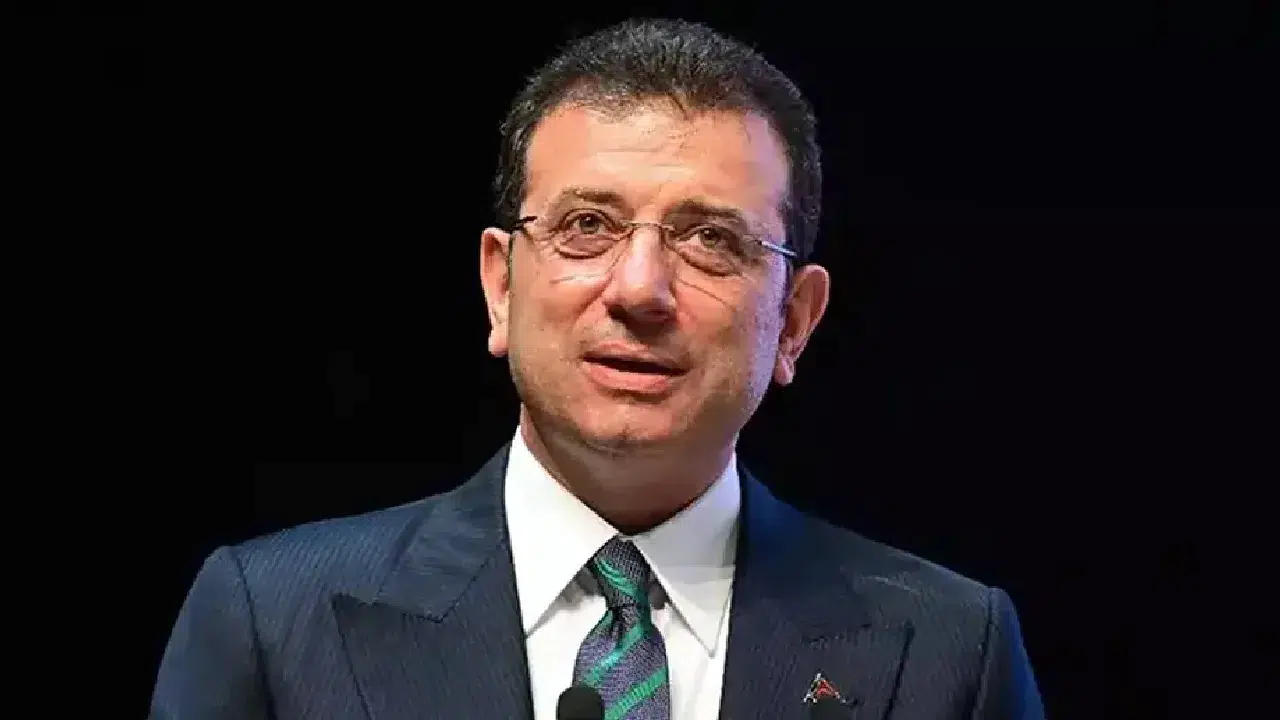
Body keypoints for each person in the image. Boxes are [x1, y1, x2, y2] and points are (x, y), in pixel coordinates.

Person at [152, 18, 1044, 720]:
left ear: (794, 323)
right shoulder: (275, 620)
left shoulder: (948, 651)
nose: (640, 289)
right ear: (501, 286)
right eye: (587, 227)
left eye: (710, 238)